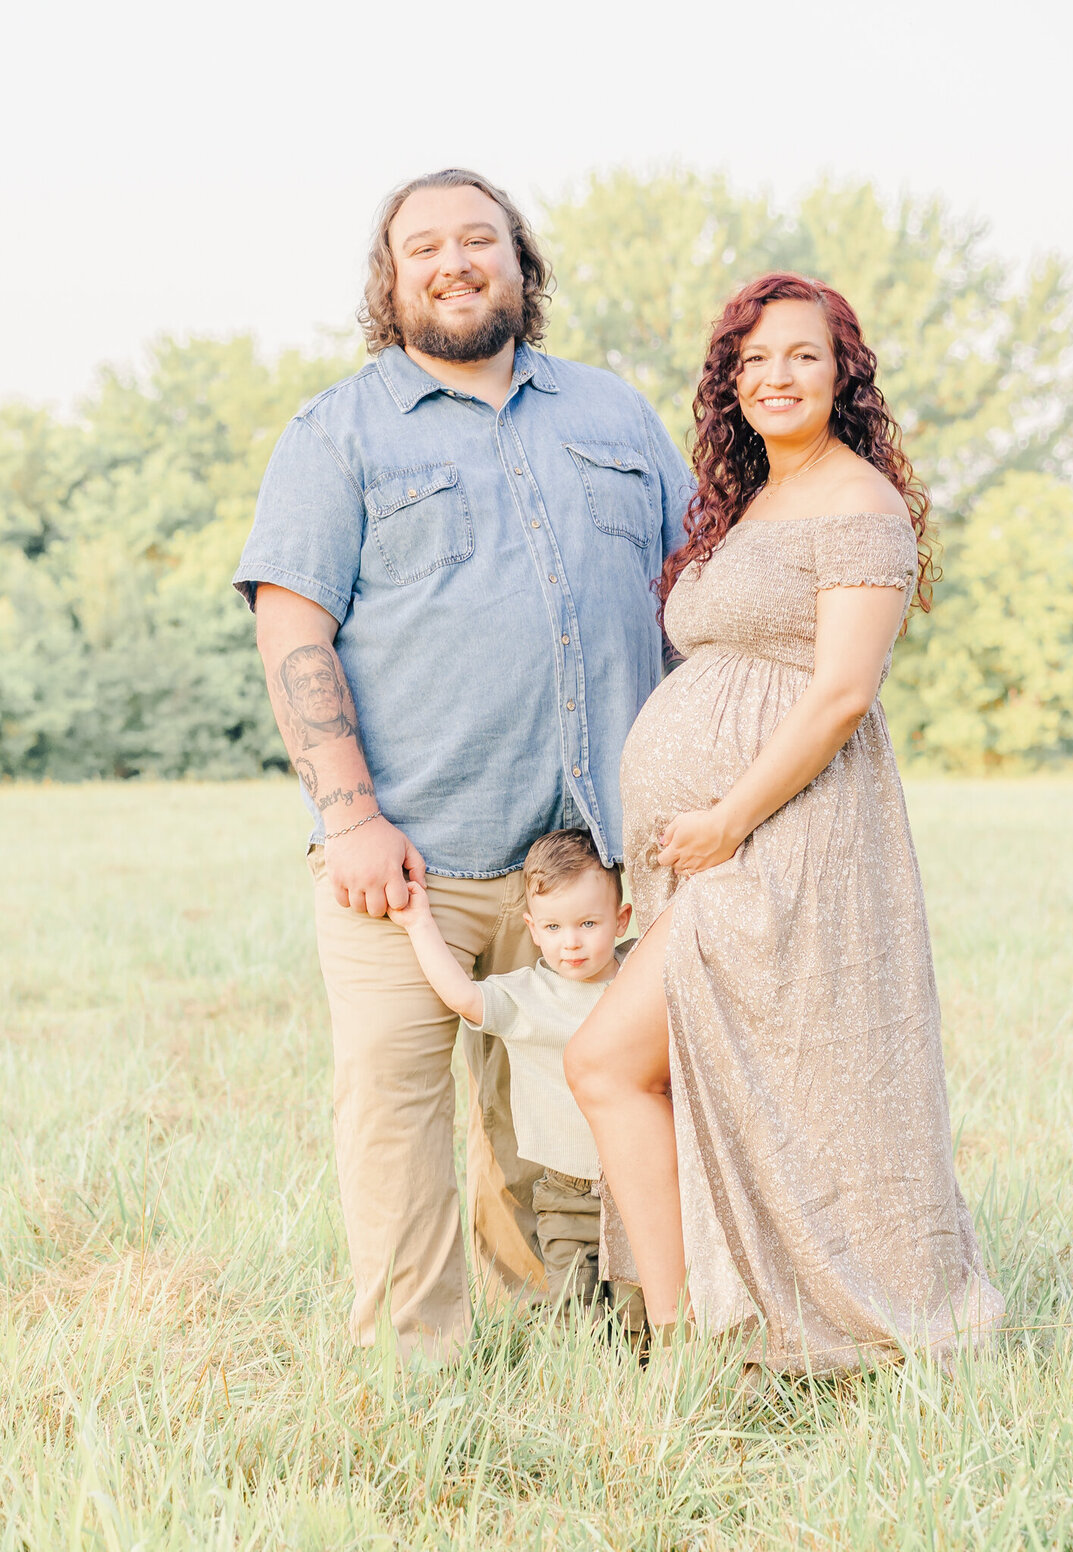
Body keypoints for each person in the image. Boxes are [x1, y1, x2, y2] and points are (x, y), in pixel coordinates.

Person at [232, 169, 691, 1365]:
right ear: (389, 280)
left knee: (562, 1103)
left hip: (603, 866)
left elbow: (695, 598)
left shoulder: (613, 417)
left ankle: (577, 1329)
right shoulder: (337, 431)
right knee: (396, 1109)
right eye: (421, 245)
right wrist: (350, 816)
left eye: (478, 237)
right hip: (411, 856)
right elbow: (293, 626)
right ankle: (417, 1365)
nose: (453, 260)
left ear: (520, 263)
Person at [566, 273, 1005, 1373]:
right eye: (753, 360)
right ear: (731, 382)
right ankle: (707, 1332)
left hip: (788, 837)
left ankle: (697, 1341)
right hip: (718, 837)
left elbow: (841, 694)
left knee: (610, 1060)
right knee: (735, 1077)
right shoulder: (755, 496)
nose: (775, 376)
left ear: (842, 371)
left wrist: (725, 818)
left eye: (801, 355)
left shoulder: (863, 505)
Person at [389, 828, 643, 1330]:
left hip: (640, 1177)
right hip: (567, 1191)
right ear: (532, 929)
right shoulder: (529, 995)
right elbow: (463, 997)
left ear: (622, 920)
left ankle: (645, 1387)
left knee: (641, 1310)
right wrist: (420, 923)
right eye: (553, 927)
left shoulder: (637, 972)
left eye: (588, 923)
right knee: (576, 1311)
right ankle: (590, 1391)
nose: (570, 942)